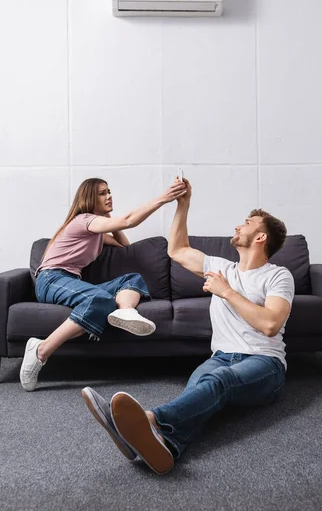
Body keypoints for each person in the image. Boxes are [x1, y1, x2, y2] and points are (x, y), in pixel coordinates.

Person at [82, 178, 295, 474]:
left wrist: (227, 292)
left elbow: (271, 324)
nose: (237, 227)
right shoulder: (222, 267)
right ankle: (166, 447)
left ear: (261, 237)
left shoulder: (277, 276)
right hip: (220, 357)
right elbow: (177, 250)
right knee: (200, 390)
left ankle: (148, 420)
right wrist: (183, 203)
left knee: (218, 383)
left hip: (265, 364)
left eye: (246, 223)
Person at [20, 177, 187, 392]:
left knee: (132, 279)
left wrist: (109, 218)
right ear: (89, 199)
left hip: (70, 281)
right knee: (101, 299)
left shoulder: (97, 232)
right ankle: (41, 350)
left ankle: (125, 312)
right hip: (51, 279)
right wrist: (164, 198)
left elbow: (125, 247)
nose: (109, 196)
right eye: (102, 193)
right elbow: (128, 220)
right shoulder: (83, 221)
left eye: (109, 191)